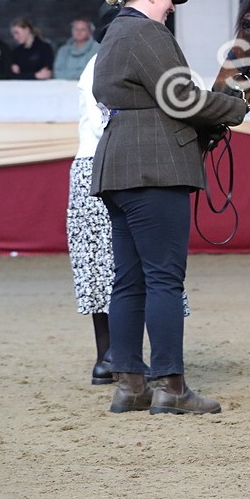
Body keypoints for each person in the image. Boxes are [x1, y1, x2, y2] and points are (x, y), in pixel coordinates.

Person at [91, 0, 247, 415]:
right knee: (164, 279)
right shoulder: (147, 32)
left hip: (118, 165)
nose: (172, 6)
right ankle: (172, 387)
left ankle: (130, 385)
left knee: (128, 282)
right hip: (154, 167)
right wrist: (230, 106)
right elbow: (181, 97)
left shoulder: (113, 35)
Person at [67, 52, 192, 386]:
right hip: (123, 162)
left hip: (87, 165)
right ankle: (146, 363)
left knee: (101, 268)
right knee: (148, 267)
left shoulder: (94, 63)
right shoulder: (138, 58)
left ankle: (107, 358)